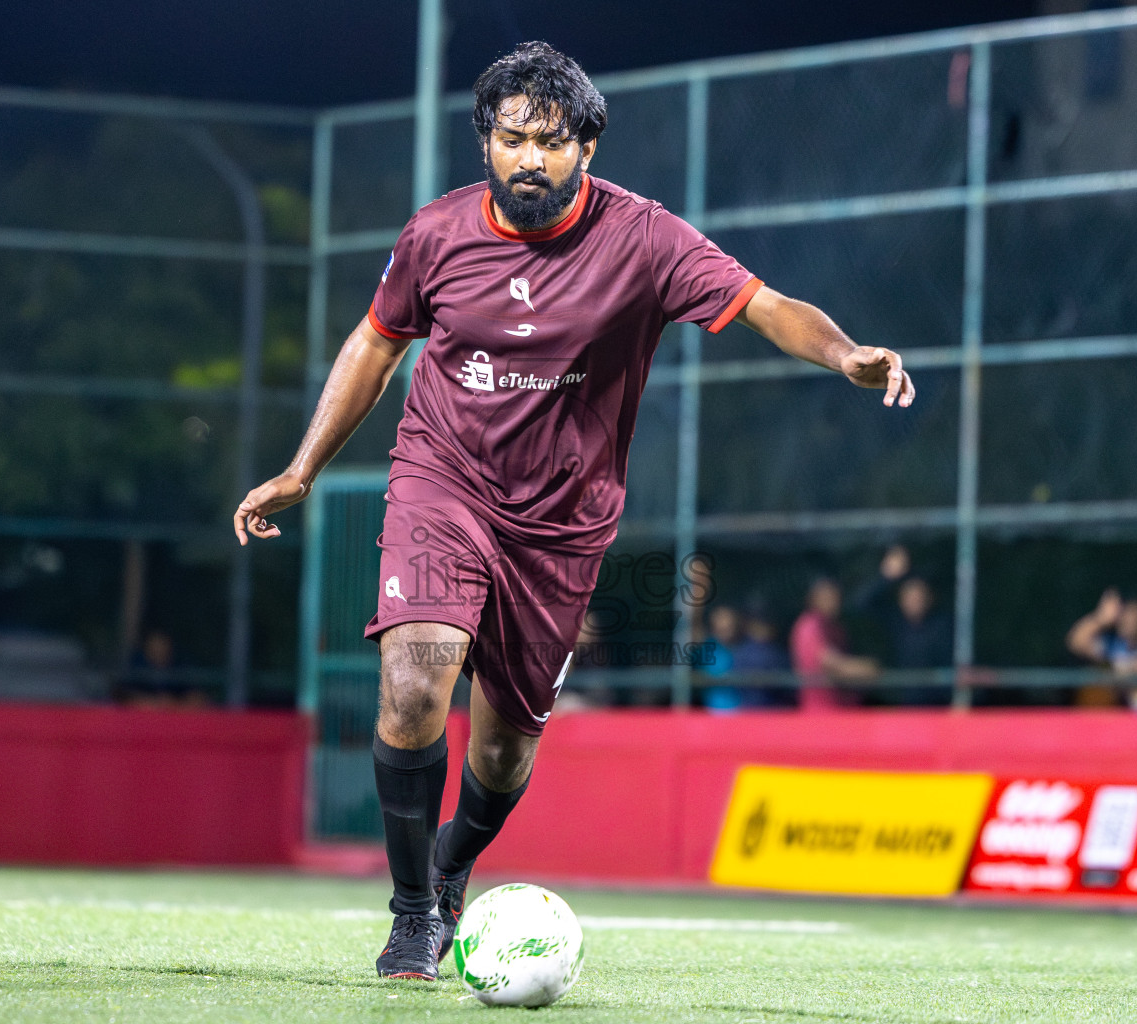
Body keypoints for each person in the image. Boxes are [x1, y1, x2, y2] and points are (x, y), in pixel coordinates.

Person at [232, 41, 915, 981]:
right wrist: (302, 469)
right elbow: (375, 344)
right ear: (484, 143)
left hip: (560, 526)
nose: (529, 159)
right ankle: (411, 917)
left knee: (507, 752)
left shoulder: (643, 238)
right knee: (413, 681)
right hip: (443, 482)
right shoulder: (435, 235)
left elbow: (764, 305)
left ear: (587, 148)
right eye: (511, 138)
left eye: (551, 141)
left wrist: (844, 355)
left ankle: (450, 868)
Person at [856, 546, 953, 704]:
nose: (915, 600)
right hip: (906, 706)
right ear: (901, 599)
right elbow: (862, 604)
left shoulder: (942, 625)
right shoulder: (897, 622)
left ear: (929, 598)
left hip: (939, 708)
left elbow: (952, 666)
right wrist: (887, 577)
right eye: (909, 595)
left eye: (919, 595)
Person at [1066, 588, 1137, 710]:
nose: (1128, 620)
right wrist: (1101, 618)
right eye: (1125, 614)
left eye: (1134, 613)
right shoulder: (1114, 644)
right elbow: (1076, 643)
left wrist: (1117, 673)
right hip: (1123, 714)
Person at [789, 577, 878, 709]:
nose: (833, 602)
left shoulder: (836, 627)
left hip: (845, 710)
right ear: (813, 599)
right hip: (821, 714)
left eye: (835, 597)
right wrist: (867, 668)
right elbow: (832, 664)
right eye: (826, 597)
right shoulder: (809, 625)